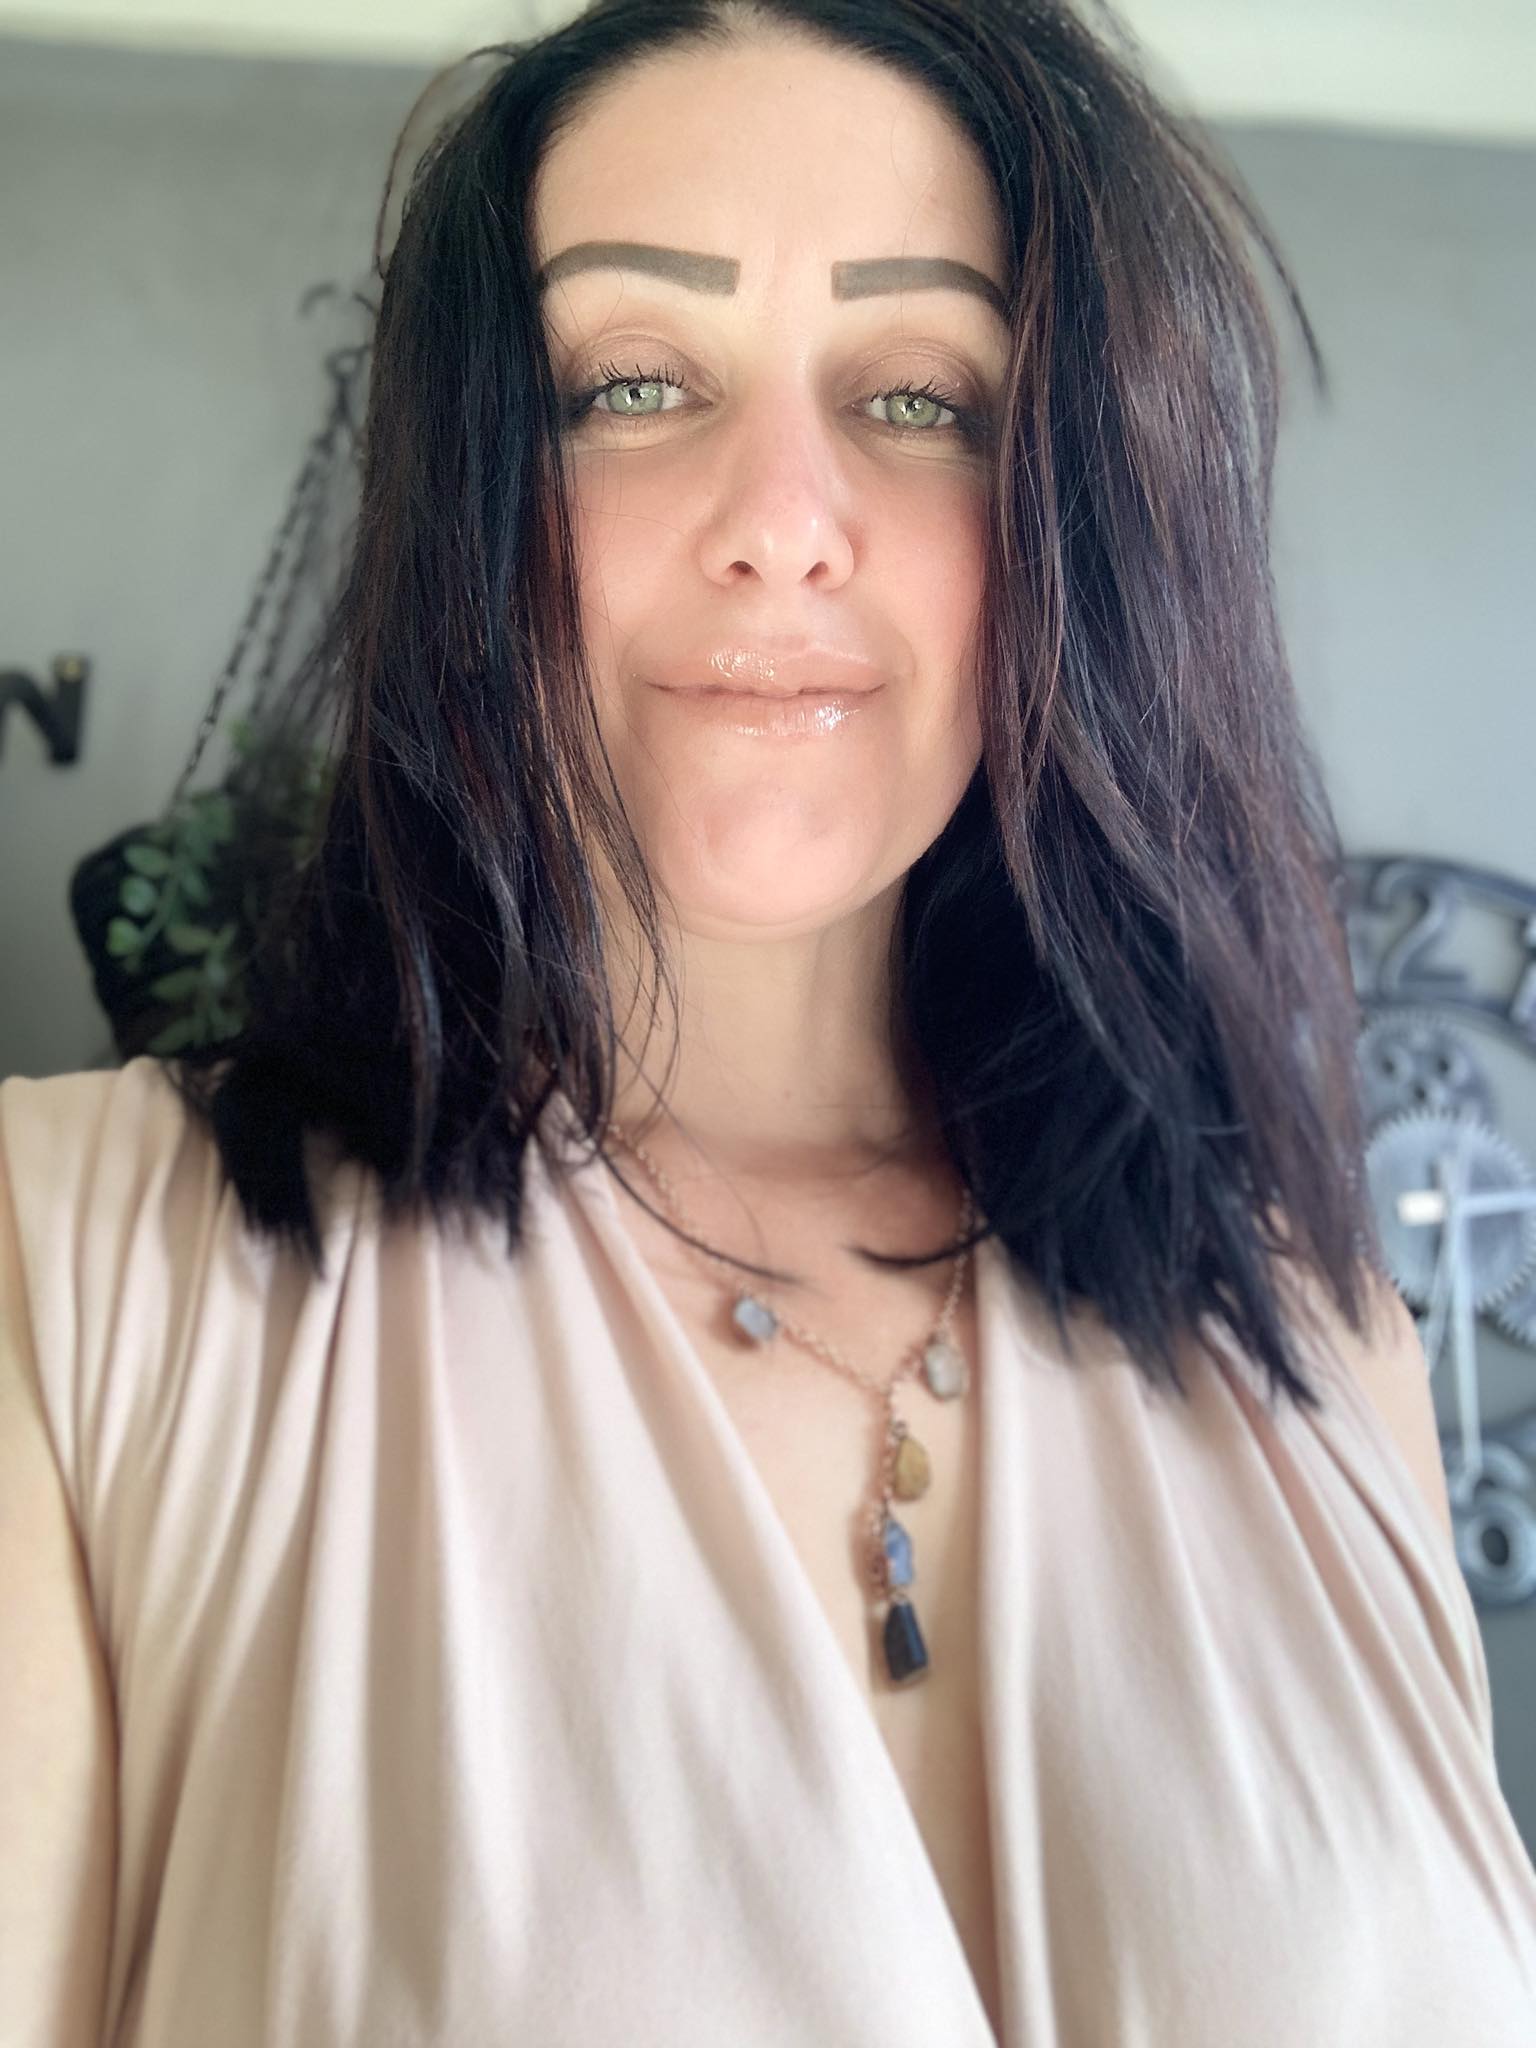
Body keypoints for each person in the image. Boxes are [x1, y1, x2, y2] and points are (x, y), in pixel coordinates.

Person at [4, 2, 1535, 2043]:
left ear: (1074, 519)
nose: (782, 515)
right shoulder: (66, 1280)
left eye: (920, 394)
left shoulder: (1325, 1328)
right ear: (475, 500)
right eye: (634, 382)